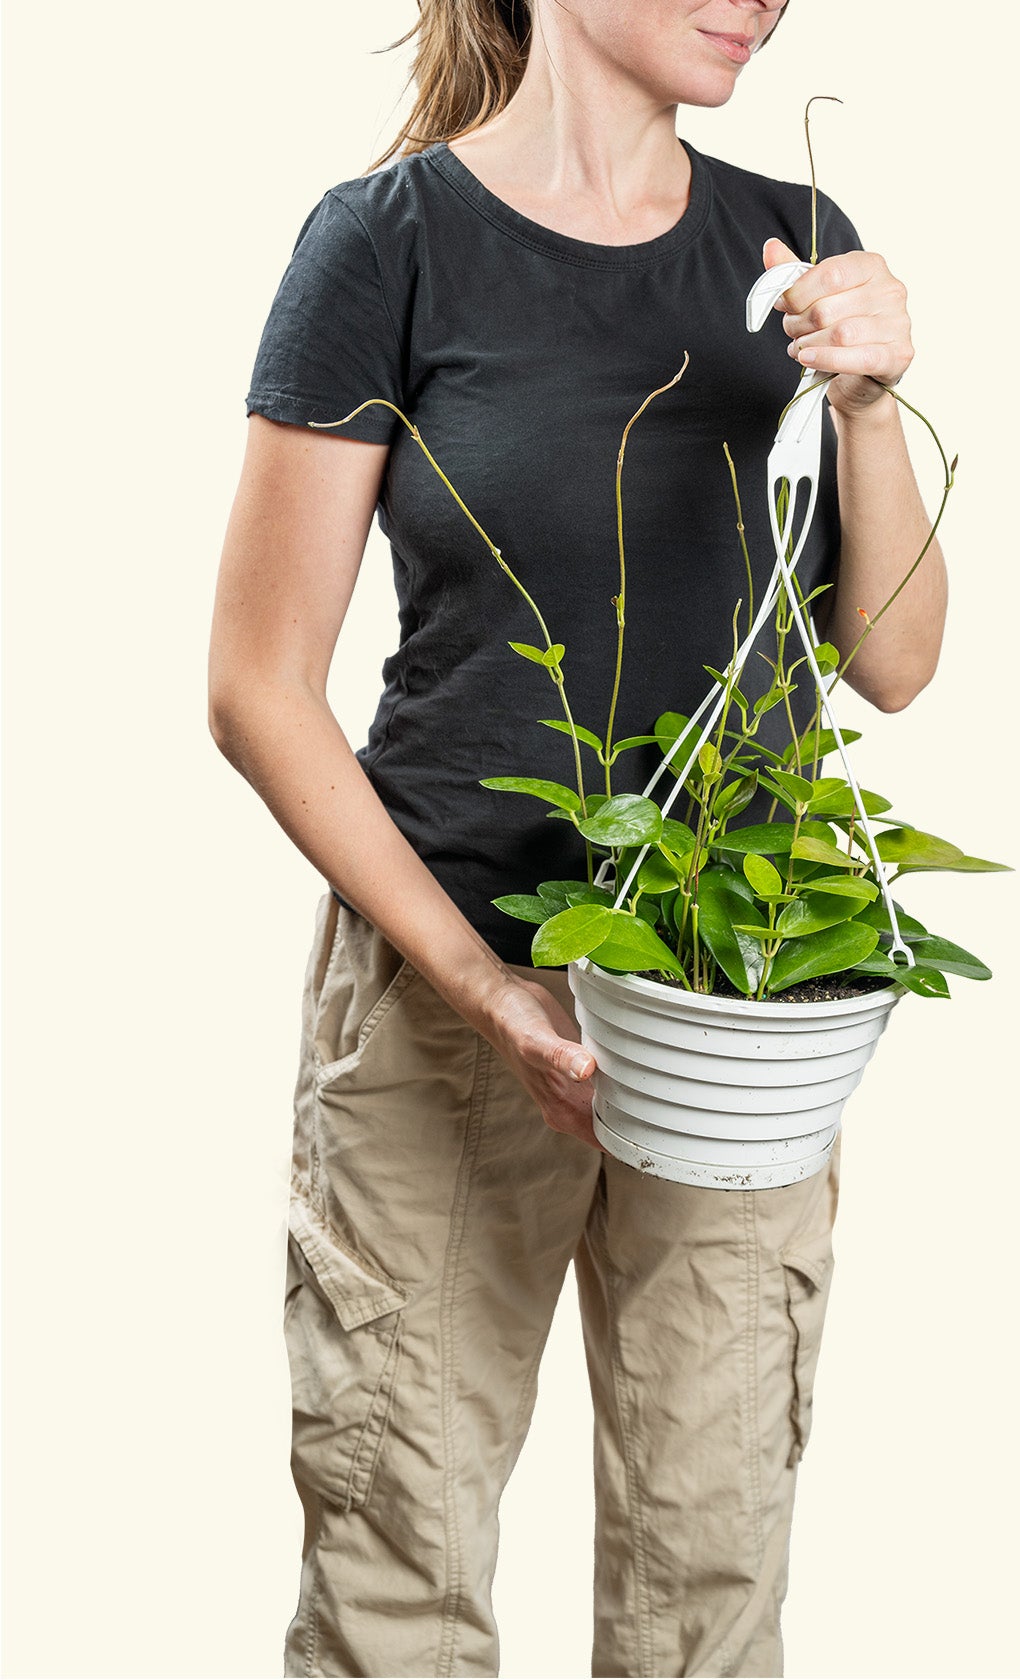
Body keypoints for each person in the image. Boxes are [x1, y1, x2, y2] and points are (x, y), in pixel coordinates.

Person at [208, 1, 948, 1674]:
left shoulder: (792, 239)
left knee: (712, 1575)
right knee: (397, 1558)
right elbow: (258, 687)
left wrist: (878, 406)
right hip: (448, 981)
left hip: (730, 1009)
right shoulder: (386, 245)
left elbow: (891, 662)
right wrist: (484, 991)